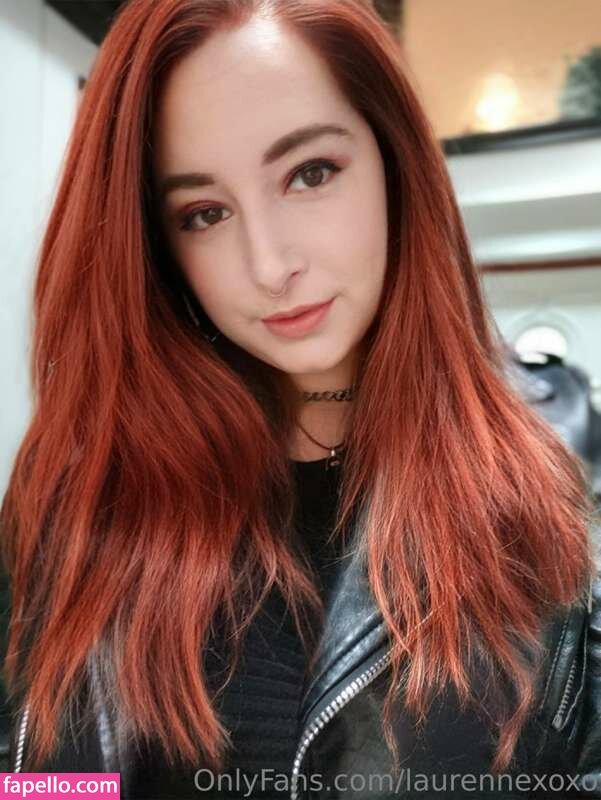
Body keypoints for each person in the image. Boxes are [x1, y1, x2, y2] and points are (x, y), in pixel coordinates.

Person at [1, 0, 599, 797]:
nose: (268, 265)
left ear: (392, 160)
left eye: (310, 173)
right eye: (204, 213)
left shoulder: (530, 498)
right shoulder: (79, 499)